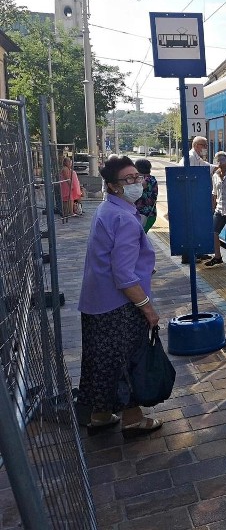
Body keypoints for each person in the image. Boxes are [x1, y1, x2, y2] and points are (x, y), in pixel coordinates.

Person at [77, 156, 162, 435]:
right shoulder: (123, 218)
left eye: (137, 177)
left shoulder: (106, 209)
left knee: (101, 360)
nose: (137, 183)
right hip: (119, 306)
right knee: (126, 361)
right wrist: (148, 308)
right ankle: (133, 420)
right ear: (114, 186)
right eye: (129, 179)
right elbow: (124, 275)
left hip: (96, 302)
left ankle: (100, 415)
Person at [134, 158, 158, 233]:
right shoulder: (152, 179)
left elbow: (136, 192)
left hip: (144, 215)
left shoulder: (145, 181)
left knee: (138, 238)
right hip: (149, 214)